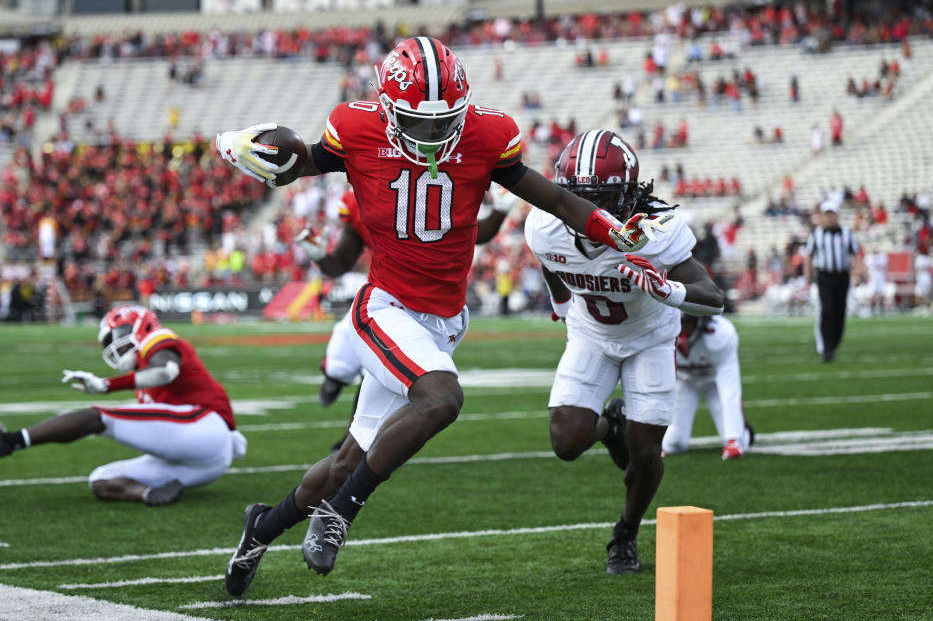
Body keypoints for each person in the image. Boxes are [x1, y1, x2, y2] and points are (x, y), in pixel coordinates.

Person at [215, 37, 654, 595]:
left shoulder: (487, 135)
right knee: (442, 398)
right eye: (416, 124)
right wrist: (263, 151)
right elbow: (303, 160)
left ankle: (262, 527)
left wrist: (613, 229)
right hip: (384, 307)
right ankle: (340, 515)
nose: (430, 136)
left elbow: (560, 202)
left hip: (442, 320)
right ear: (387, 107)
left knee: (346, 461)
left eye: (443, 121)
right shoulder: (356, 127)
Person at [524, 129, 724, 575]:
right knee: (566, 440)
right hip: (592, 332)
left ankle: (626, 533)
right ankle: (610, 427)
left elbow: (712, 295)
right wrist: (561, 307)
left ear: (632, 194)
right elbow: (551, 262)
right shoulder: (544, 226)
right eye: (582, 197)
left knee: (646, 450)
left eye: (605, 198)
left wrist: (666, 288)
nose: (593, 209)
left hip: (650, 337)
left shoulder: (658, 229)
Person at [295, 184, 517, 449]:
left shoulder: (428, 186)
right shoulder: (357, 200)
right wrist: (321, 257)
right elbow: (341, 262)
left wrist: (499, 213)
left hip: (428, 304)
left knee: (376, 375)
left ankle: (352, 442)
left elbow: (472, 233)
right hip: (383, 297)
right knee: (339, 357)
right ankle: (336, 384)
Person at [0, 305, 246, 506]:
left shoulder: (158, 338)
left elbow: (165, 371)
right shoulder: (141, 381)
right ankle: (149, 493)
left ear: (141, 326)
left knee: (99, 418)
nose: (114, 345)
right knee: (101, 479)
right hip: (203, 466)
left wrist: (107, 385)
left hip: (208, 429)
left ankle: (11, 441)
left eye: (117, 335)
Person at [662, 314, 753, 460]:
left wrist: (733, 440)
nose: (682, 327)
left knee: (740, 442)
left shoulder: (721, 334)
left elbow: (729, 386)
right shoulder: (660, 331)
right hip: (685, 381)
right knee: (674, 443)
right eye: (679, 322)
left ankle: (744, 432)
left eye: (686, 322)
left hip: (714, 382)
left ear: (699, 321)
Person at [803, 201, 862, 362]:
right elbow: (808, 256)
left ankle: (834, 344)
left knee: (840, 312)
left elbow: (856, 253)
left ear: (837, 215)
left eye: (832, 214)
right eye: (827, 214)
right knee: (827, 310)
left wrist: (857, 272)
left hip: (842, 276)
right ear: (823, 216)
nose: (830, 217)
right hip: (825, 276)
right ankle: (827, 348)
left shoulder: (846, 233)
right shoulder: (816, 234)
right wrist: (807, 278)